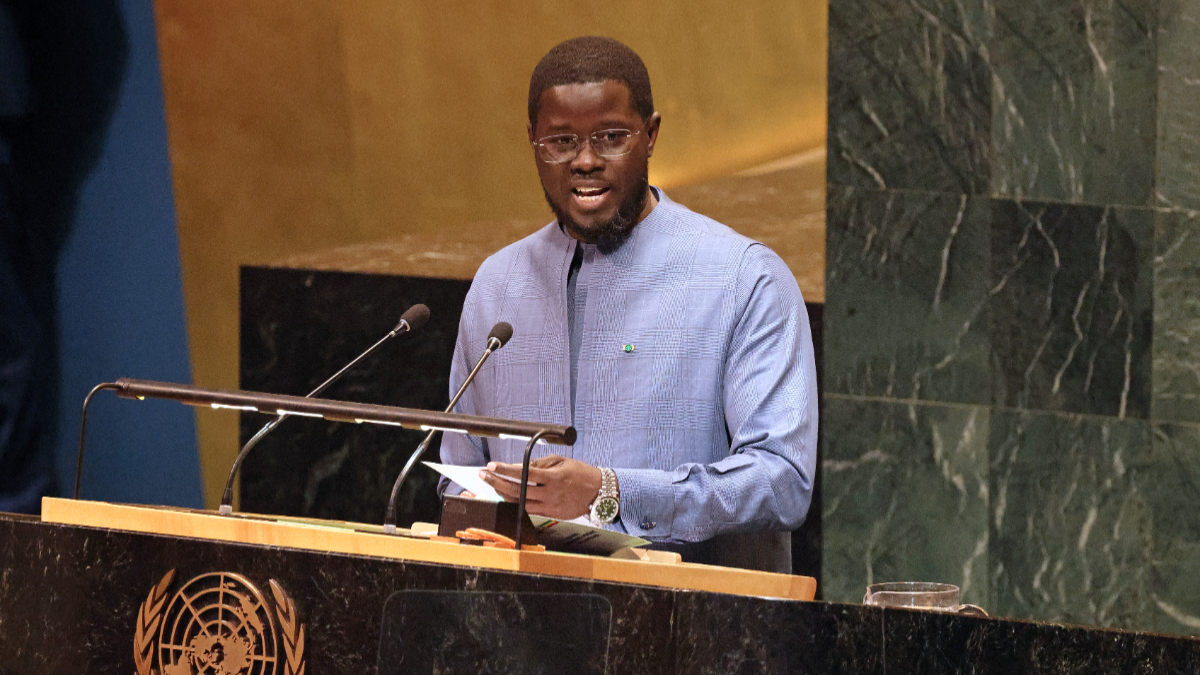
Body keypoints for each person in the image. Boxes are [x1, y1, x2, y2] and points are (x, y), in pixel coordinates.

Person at [438, 36, 817, 573]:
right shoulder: (497, 285)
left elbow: (782, 483)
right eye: (561, 141)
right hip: (522, 627)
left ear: (652, 135)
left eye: (611, 137)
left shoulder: (743, 279)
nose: (585, 161)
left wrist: (611, 492)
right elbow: (458, 475)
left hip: (689, 631)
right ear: (532, 142)